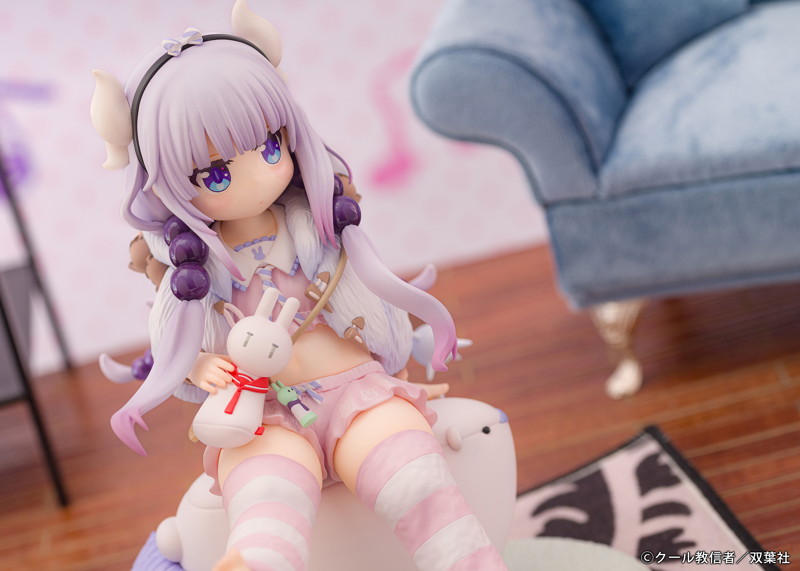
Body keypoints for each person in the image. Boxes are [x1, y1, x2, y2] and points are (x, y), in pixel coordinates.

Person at [91, 1, 507, 569]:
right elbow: (174, 339)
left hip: (357, 394)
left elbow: (369, 302)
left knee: (418, 483)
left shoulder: (318, 231)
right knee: (266, 514)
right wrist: (195, 364)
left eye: (270, 147)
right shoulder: (197, 271)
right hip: (261, 413)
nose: (259, 175)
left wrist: (398, 368)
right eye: (216, 174)